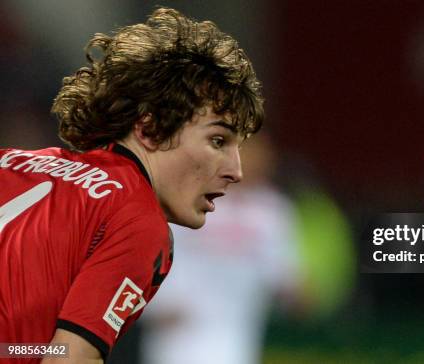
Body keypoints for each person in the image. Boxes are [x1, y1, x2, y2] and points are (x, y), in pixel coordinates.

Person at [0, 7, 263, 364]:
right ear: (149, 129)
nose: (236, 170)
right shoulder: (137, 219)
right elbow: (67, 358)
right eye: (218, 140)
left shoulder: (11, 161)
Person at [142, 134, 303, 364]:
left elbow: (283, 276)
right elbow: (148, 254)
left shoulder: (272, 212)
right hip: (177, 332)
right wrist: (155, 306)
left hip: (235, 337)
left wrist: (297, 294)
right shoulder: (184, 197)